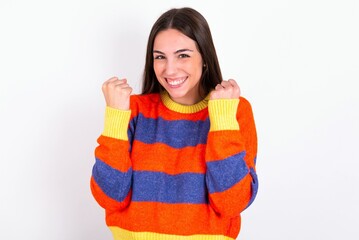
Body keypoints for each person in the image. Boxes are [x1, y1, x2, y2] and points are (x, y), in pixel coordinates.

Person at [90, 7, 258, 240]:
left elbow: (232, 203)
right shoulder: (133, 110)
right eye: (160, 57)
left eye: (183, 55)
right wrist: (116, 118)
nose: (169, 69)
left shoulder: (234, 110)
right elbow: (109, 197)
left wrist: (221, 119)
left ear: (205, 57)